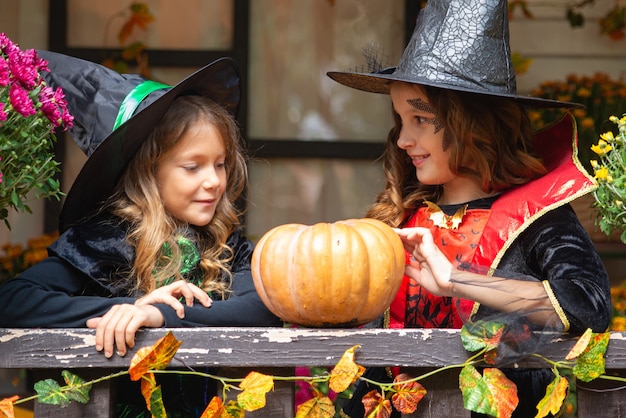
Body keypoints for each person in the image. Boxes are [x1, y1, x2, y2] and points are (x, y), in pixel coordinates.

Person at [327, 1, 611, 417]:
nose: (403, 139)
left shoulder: (538, 219)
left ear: (471, 123)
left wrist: (456, 280)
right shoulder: (399, 219)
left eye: (420, 119)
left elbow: (590, 305)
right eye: (400, 120)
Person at [0, 50, 281, 416]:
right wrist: (128, 308)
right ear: (148, 172)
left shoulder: (226, 245)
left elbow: (262, 307)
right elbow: (12, 301)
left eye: (220, 164)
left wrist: (163, 315)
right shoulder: (103, 240)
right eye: (192, 167)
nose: (214, 181)